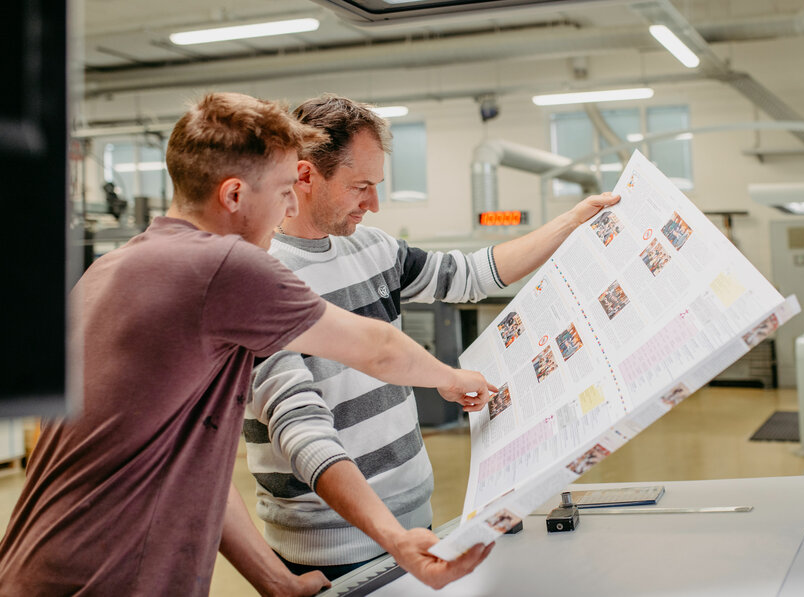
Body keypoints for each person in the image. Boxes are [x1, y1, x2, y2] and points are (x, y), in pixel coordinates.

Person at [0, 92, 495, 597]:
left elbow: (195, 468)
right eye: (284, 191)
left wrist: (276, 582)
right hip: (109, 579)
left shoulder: (108, 272)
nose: (288, 208)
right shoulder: (224, 268)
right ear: (234, 195)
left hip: (37, 568)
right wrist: (454, 380)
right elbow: (378, 349)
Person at [232, 94, 620, 587]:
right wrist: (389, 532)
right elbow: (299, 426)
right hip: (329, 547)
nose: (373, 204)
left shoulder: (374, 249)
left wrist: (572, 222)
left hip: (415, 521)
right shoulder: (261, 280)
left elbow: (473, 275)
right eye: (361, 187)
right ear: (305, 177)